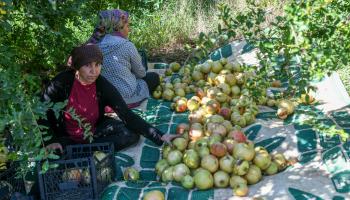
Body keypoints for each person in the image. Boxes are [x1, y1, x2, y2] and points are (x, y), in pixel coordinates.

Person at [41, 44, 174, 152]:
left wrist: (160, 136)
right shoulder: (61, 83)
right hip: (66, 136)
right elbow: (41, 111)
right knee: (54, 155)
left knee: (131, 135)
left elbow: (126, 114)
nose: (94, 71)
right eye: (88, 65)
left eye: (97, 65)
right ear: (77, 67)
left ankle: (81, 150)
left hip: (93, 131)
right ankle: (78, 149)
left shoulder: (102, 84)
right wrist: (50, 141)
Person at [87, 9, 160, 108]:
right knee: (153, 77)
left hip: (106, 99)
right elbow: (141, 73)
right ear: (118, 28)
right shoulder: (127, 45)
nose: (129, 29)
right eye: (127, 26)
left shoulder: (95, 45)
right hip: (126, 98)